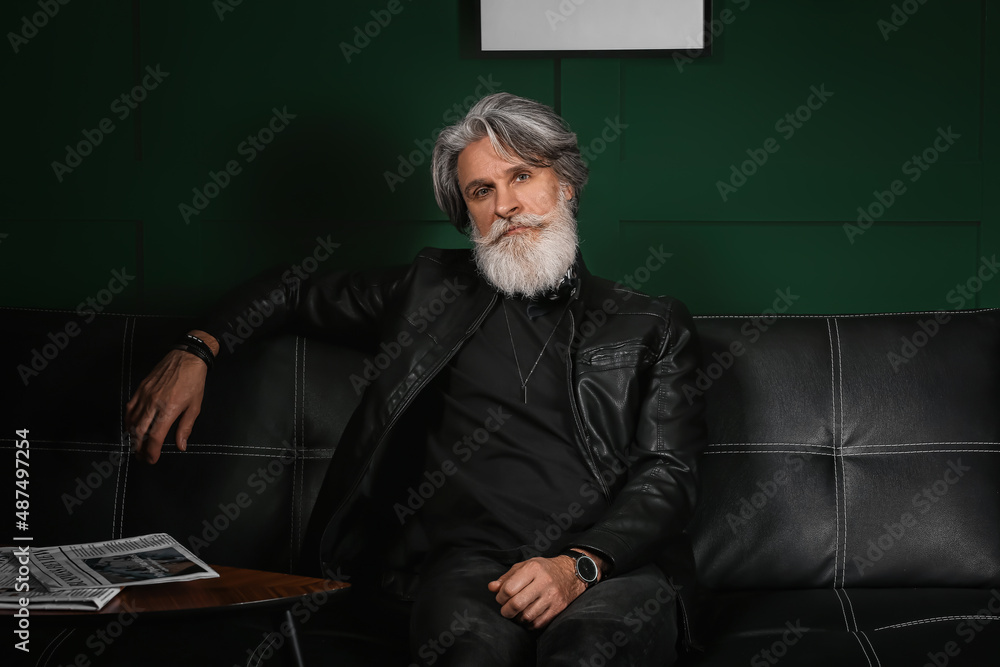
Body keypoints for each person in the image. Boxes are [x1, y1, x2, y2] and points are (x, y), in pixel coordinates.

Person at [126, 92, 706, 666]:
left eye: (522, 175)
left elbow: (668, 474)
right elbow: (292, 291)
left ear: (566, 184)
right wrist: (195, 349)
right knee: (467, 655)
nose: (506, 205)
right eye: (482, 191)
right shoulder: (427, 291)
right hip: (468, 566)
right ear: (467, 214)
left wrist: (578, 565)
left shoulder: (649, 320)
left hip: (607, 565)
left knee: (587, 653)